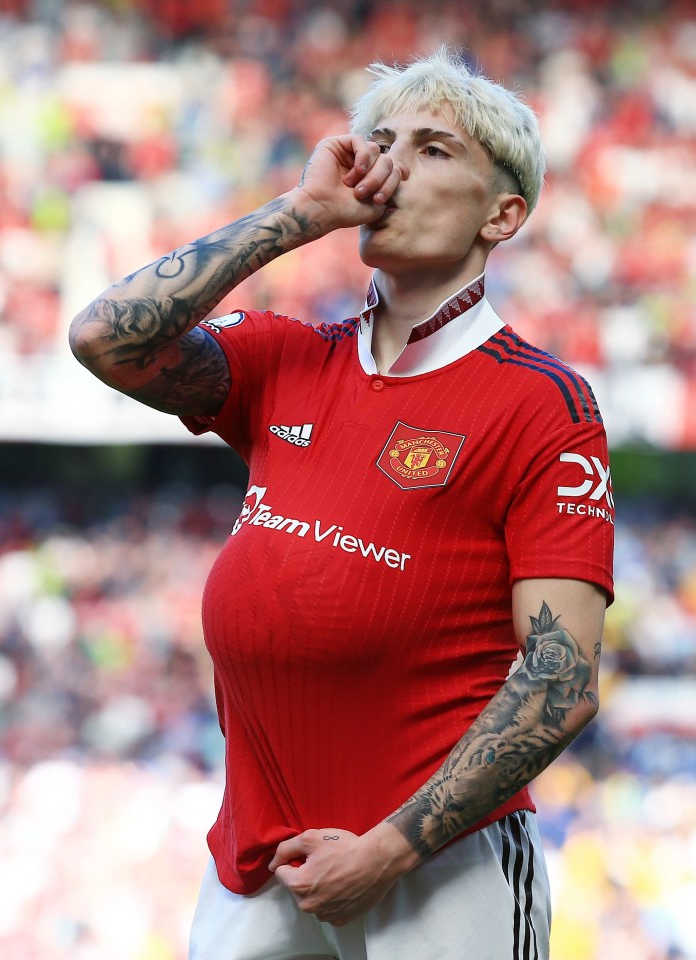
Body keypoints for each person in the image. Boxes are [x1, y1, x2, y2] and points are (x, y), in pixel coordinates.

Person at [70, 46, 614, 960]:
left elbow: (560, 682)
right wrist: (300, 215)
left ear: (503, 213)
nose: (390, 166)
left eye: (434, 150)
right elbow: (105, 338)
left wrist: (392, 848)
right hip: (259, 857)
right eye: (380, 142)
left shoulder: (543, 403)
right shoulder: (288, 356)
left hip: (442, 867)